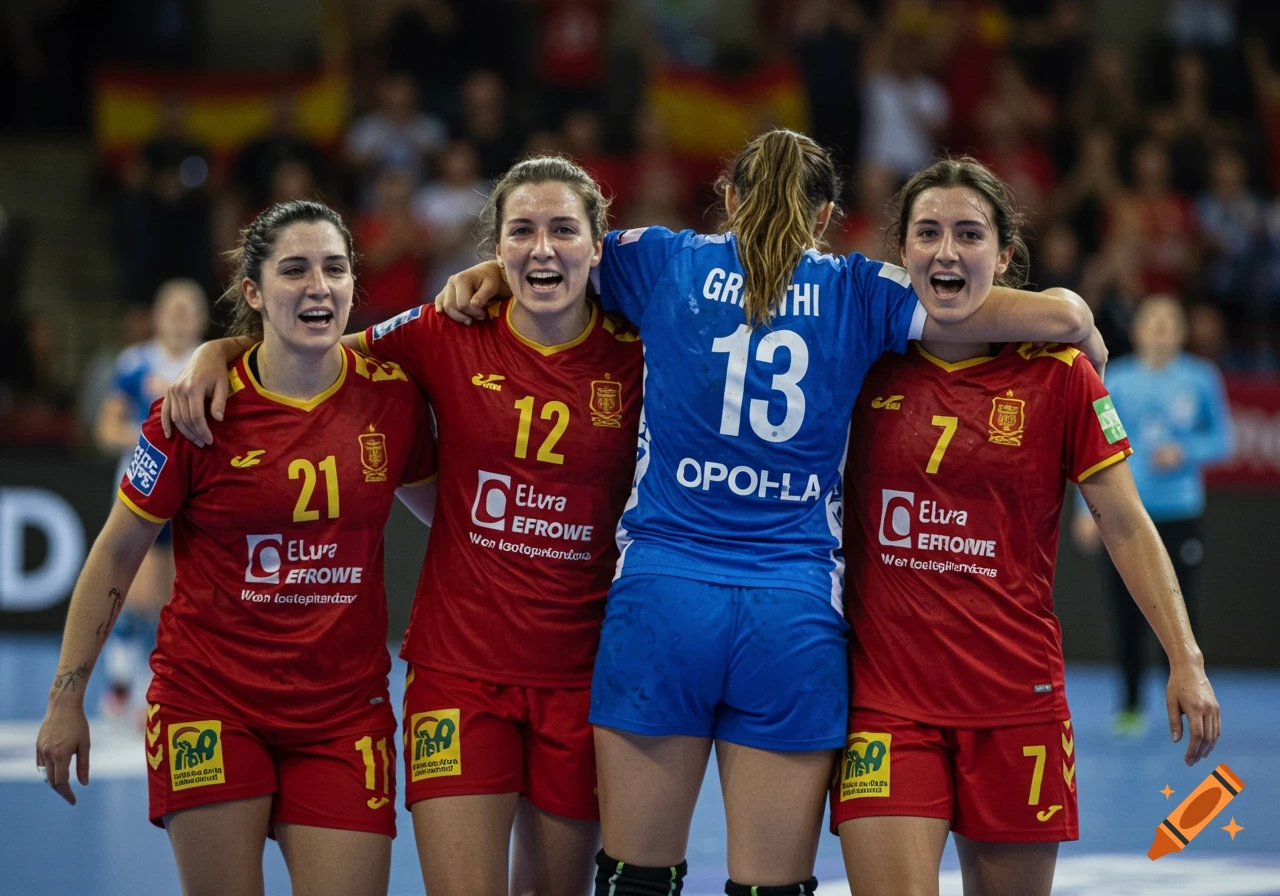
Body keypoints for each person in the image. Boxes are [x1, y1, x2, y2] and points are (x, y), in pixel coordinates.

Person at [436, 129, 1107, 895]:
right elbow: (1002, 314)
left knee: (635, 877)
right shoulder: (864, 290)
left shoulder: (662, 259)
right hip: (790, 615)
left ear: (727, 199)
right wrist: (1075, 317)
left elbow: (559, 257)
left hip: (663, 597)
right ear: (824, 215)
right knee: (769, 889)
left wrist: (489, 268)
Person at [161, 156, 643, 896]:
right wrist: (216, 350)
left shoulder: (641, 349)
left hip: (582, 671)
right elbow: (310, 351)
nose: (542, 247)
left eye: (562, 230)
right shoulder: (442, 328)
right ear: (495, 243)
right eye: (521, 231)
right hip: (460, 669)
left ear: (599, 243)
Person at [835, 157, 1221, 896]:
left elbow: (1126, 523)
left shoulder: (1060, 374)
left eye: (969, 234)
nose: (947, 252)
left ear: (1005, 257)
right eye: (927, 233)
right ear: (902, 252)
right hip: (885, 704)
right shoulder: (861, 360)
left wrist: (1185, 657)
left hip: (1017, 705)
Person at [35, 200, 438, 896]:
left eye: (335, 268)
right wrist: (66, 698)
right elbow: (115, 553)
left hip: (342, 715)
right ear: (252, 291)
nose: (319, 286)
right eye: (295, 270)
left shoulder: (391, 396)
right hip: (210, 704)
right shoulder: (194, 411)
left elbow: (454, 517)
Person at [1072, 294, 1231, 737]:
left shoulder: (1200, 379)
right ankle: (1128, 705)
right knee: (1124, 610)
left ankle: (1186, 697)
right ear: (1138, 329)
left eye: (1169, 322)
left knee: (1181, 610)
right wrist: (1085, 512)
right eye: (1152, 321)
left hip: (1180, 511)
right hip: (1124, 513)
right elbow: (1087, 448)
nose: (1160, 329)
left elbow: (1224, 440)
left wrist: (1186, 451)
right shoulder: (1117, 379)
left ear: (1180, 331)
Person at [92, 277, 207, 722]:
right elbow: (104, 430)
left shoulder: (210, 362)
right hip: (139, 492)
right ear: (158, 317)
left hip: (191, 497)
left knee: (174, 597)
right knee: (131, 593)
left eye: (188, 309)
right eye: (172, 309)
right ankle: (123, 685)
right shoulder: (134, 363)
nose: (180, 318)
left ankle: (160, 690)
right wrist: (154, 434)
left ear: (199, 318)